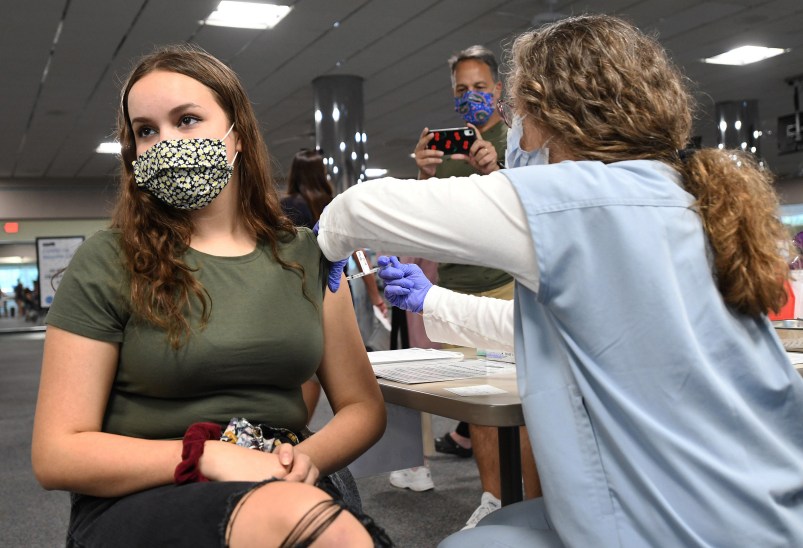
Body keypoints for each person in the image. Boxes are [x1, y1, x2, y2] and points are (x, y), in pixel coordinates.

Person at [315, 14, 803, 547]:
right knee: (503, 523)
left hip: (677, 527)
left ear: (549, 117)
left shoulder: (568, 197)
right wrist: (434, 302)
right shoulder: (685, 195)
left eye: (518, 113)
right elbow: (581, 325)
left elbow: (358, 209)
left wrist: (321, 247)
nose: (515, 132)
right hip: (765, 506)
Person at [31, 44, 391, 548]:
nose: (166, 142)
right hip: (149, 489)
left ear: (236, 137)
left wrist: (302, 459)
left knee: (309, 519)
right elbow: (57, 454)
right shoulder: (109, 260)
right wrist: (205, 454)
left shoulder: (305, 254)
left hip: (285, 474)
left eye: (187, 120)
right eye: (146, 131)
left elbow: (361, 406)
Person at [405, 43, 540, 527]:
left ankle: (532, 504)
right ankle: (493, 498)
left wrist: (495, 171)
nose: (471, 96)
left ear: (499, 89)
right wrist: (423, 176)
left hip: (507, 285)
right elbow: (423, 224)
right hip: (457, 288)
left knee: (520, 400)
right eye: (462, 90)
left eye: (480, 88)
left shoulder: (519, 138)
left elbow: (533, 213)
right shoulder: (447, 147)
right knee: (479, 402)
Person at [280, 148, 388, 421]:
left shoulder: (284, 206)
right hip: (335, 292)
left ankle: (296, 431)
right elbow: (359, 254)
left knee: (307, 371)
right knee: (348, 379)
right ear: (322, 172)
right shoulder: (334, 203)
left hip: (297, 296)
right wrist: (375, 294)